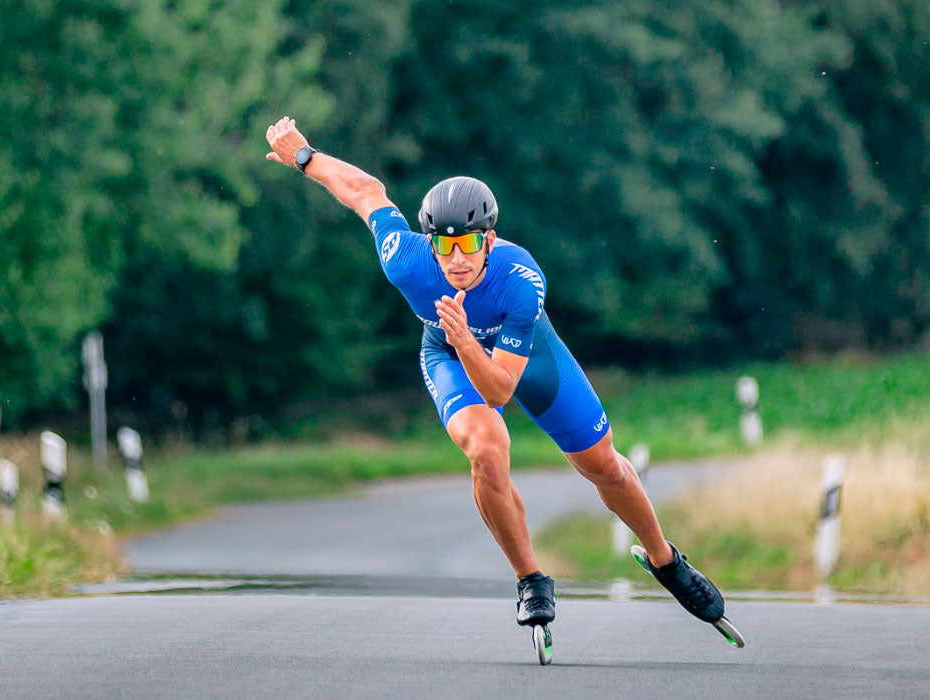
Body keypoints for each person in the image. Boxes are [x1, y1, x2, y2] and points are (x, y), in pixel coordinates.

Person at [262, 116, 733, 634]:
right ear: (429, 243)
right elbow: (364, 191)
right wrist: (305, 156)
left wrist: (470, 339)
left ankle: (666, 561)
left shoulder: (521, 281)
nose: (456, 259)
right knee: (487, 450)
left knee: (603, 464)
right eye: (444, 246)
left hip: (522, 355)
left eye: (468, 244)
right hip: (446, 348)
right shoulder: (405, 260)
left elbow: (501, 387)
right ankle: (530, 578)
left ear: (490, 240)